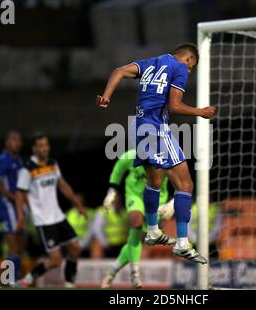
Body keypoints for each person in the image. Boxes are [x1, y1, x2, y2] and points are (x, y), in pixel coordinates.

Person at [97, 43, 216, 264]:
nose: (189, 72)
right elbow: (175, 106)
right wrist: (201, 112)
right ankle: (182, 243)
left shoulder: (150, 63)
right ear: (189, 59)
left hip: (138, 128)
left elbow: (119, 71)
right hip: (156, 128)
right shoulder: (179, 67)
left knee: (154, 182)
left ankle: (152, 230)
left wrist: (106, 96)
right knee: (186, 185)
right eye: (192, 68)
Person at [16, 133, 86, 288]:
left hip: (58, 216)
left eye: (46, 145)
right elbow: (20, 194)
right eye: (40, 145)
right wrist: (20, 216)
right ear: (34, 149)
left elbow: (63, 185)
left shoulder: (53, 163)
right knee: (56, 260)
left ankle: (69, 284)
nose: (44, 148)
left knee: (75, 248)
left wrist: (78, 205)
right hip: (44, 220)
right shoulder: (27, 169)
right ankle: (27, 279)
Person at [100, 149, 172, 288]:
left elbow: (181, 182)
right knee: (136, 223)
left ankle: (113, 268)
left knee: (137, 238)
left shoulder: (167, 159)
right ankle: (135, 274)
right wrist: (111, 192)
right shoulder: (130, 156)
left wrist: (173, 203)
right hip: (135, 196)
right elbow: (118, 171)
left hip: (157, 200)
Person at [0, 131, 25, 281]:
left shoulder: (19, 160)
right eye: (13, 139)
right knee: (12, 243)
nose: (17, 143)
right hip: (7, 206)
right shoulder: (2, 160)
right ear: (6, 142)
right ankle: (10, 280)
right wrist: (15, 198)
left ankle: (13, 278)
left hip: (18, 207)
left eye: (19, 140)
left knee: (20, 244)